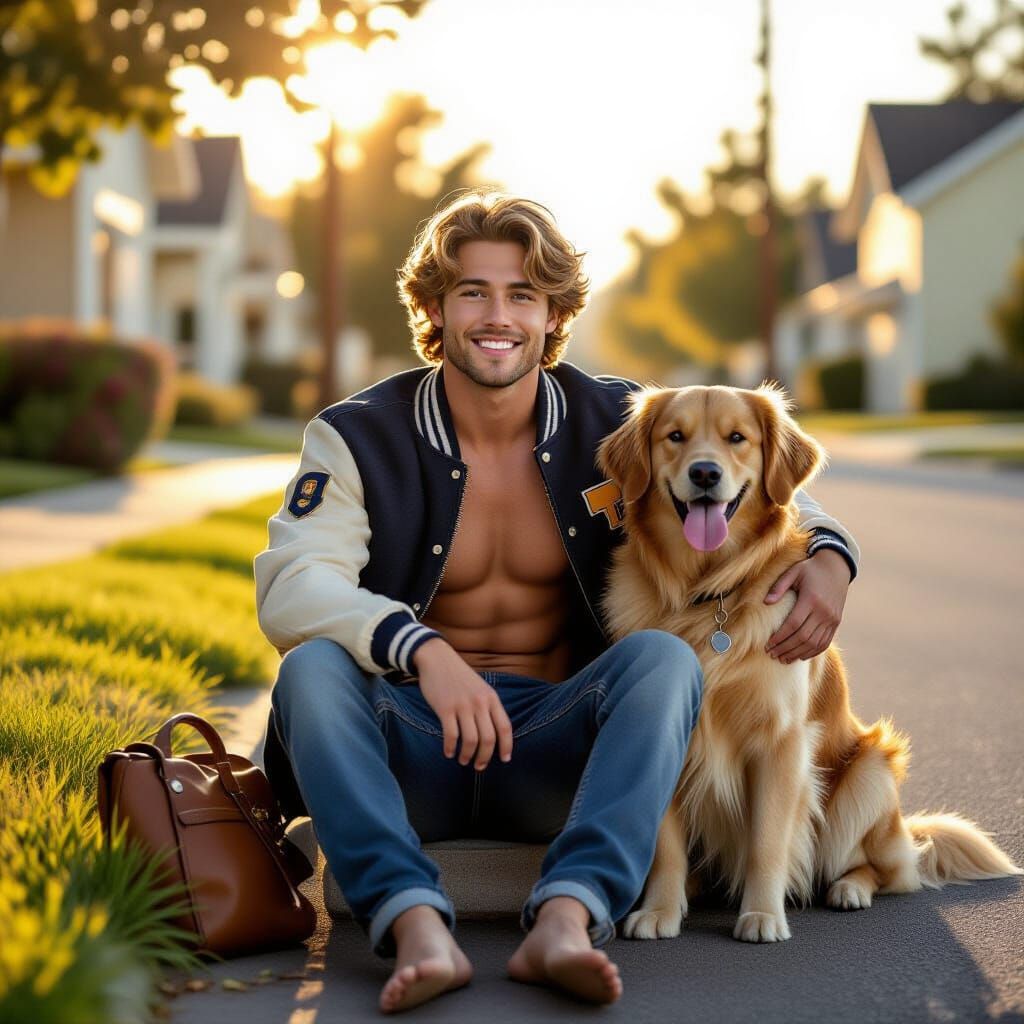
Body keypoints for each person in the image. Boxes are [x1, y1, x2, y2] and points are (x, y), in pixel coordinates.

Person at [254, 192, 860, 1013]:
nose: (496, 316)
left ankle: (567, 919)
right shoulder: (356, 435)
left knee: (661, 658)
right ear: (434, 306)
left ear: (554, 313)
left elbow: (744, 479)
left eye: (522, 296)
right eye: (472, 291)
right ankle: (414, 924)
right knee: (313, 671)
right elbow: (293, 586)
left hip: (562, 752)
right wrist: (423, 650)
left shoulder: (616, 421)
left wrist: (829, 553)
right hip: (411, 746)